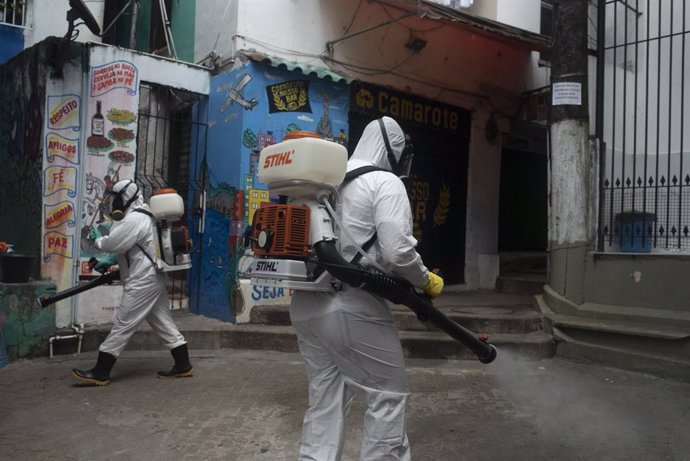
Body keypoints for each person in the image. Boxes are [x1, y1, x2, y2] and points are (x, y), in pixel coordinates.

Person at [289, 117, 444, 460]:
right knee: (387, 397)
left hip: (306, 304)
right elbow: (398, 251)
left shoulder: (326, 182)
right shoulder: (384, 181)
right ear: (395, 149)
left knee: (324, 402)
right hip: (351, 304)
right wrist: (425, 280)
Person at [72, 179, 193, 386]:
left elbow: (115, 243)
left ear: (124, 199)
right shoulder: (145, 215)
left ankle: (101, 371)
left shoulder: (134, 219)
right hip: (150, 275)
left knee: (123, 322)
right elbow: (133, 251)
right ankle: (183, 365)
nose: (113, 204)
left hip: (143, 280)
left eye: (115, 199)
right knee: (162, 321)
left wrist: (98, 240)